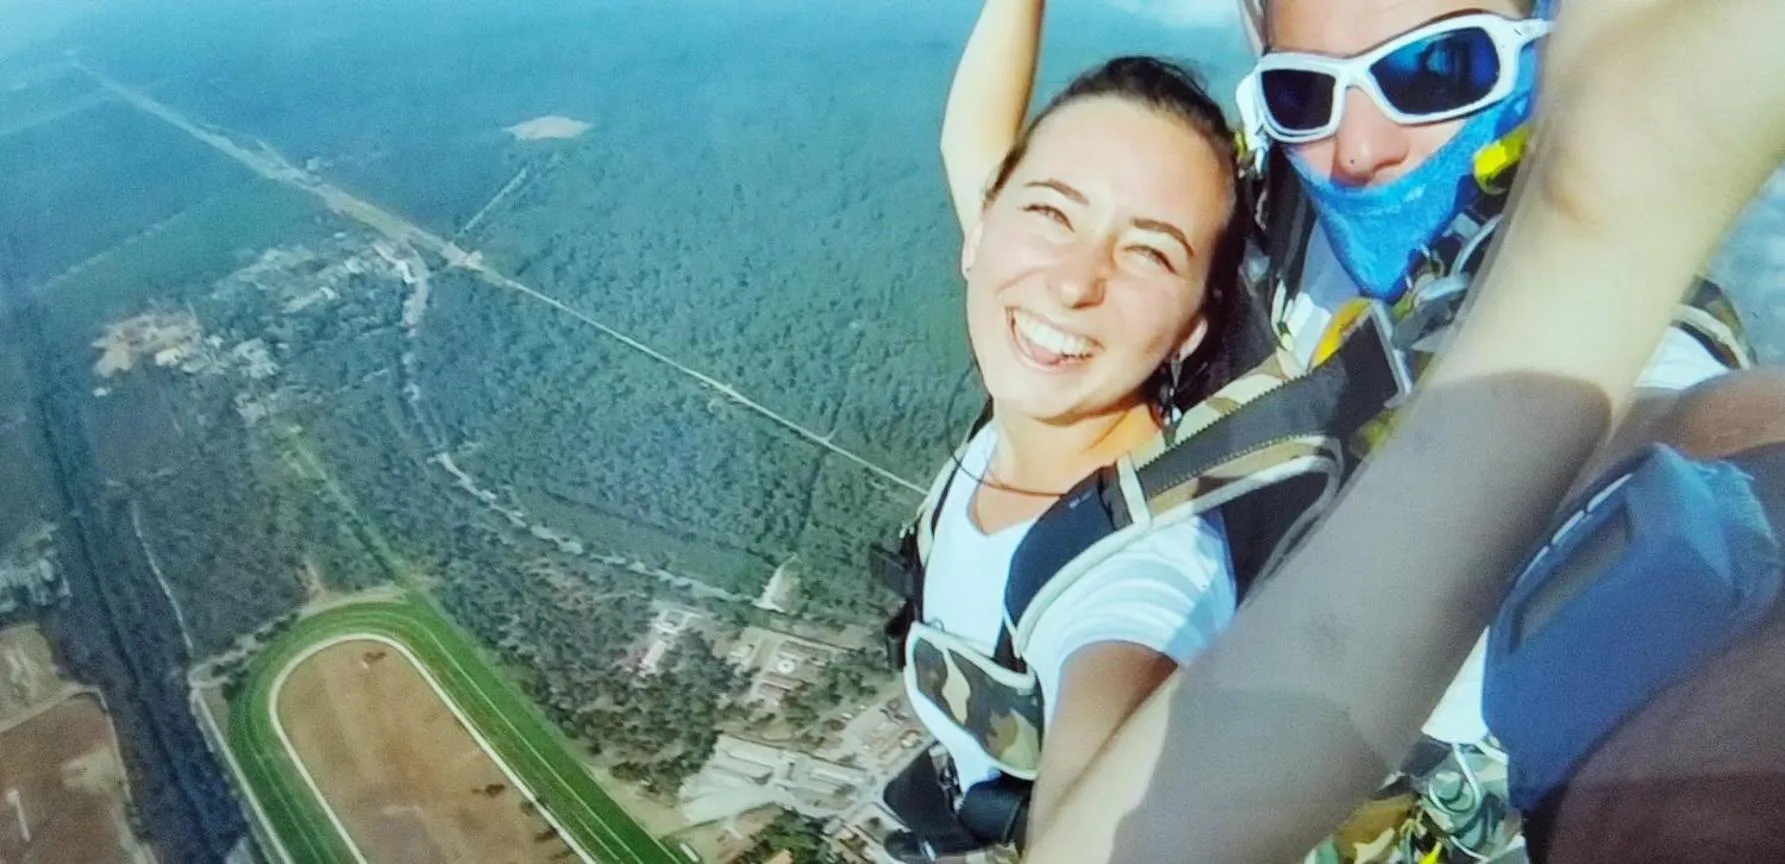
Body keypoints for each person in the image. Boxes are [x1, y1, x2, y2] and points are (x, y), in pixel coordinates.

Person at [1007, 0, 1785, 859]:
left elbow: (1671, 437)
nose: (1357, 149)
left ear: (1547, 46)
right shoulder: (1275, 199)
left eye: (1437, 70)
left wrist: (1592, 232)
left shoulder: (1620, 324)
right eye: (1306, 95)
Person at [873, 7, 1255, 857]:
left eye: (1150, 253)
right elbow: (971, 137)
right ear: (983, 230)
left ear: (1195, 324)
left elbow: (1109, 787)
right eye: (1050, 212)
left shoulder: (1143, 576)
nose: (1075, 281)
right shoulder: (1036, 403)